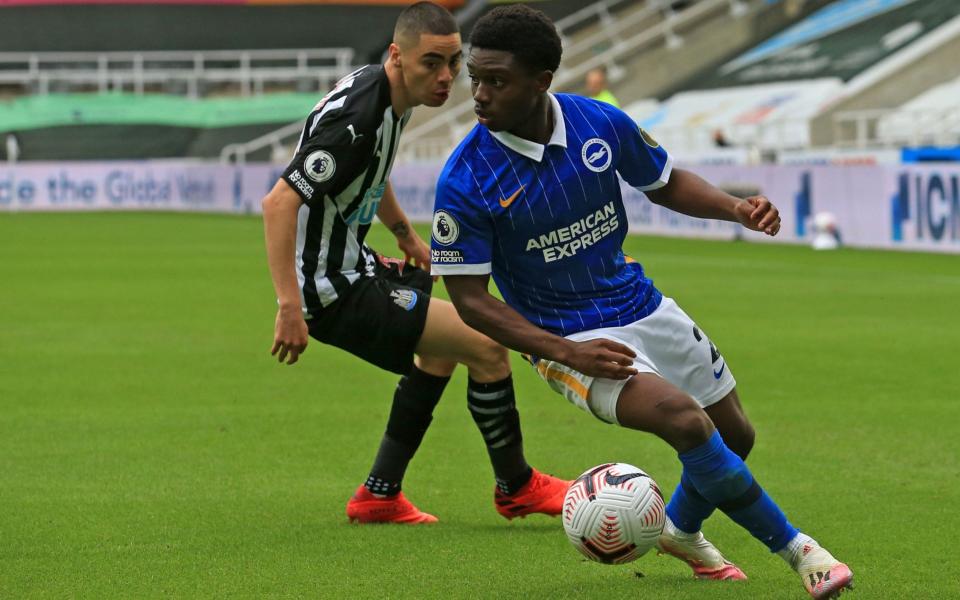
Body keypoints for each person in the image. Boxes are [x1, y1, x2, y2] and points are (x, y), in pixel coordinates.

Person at [430, 5, 853, 598]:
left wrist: (734, 207)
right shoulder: (467, 178)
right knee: (685, 420)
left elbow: (665, 180)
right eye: (476, 77)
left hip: (640, 303)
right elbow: (471, 301)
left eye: (496, 80)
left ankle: (679, 530)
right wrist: (564, 354)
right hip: (566, 337)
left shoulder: (598, 122)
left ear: (542, 80)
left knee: (735, 437)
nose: (478, 93)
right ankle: (802, 553)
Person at [261, 1, 568, 525]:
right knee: (487, 344)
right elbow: (279, 202)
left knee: (443, 350)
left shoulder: (386, 95)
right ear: (397, 56)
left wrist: (405, 236)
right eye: (432, 63)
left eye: (453, 62)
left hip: (354, 266)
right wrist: (290, 304)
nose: (447, 77)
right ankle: (516, 486)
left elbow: (369, 175)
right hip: (332, 288)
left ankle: (380, 494)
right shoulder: (358, 120)